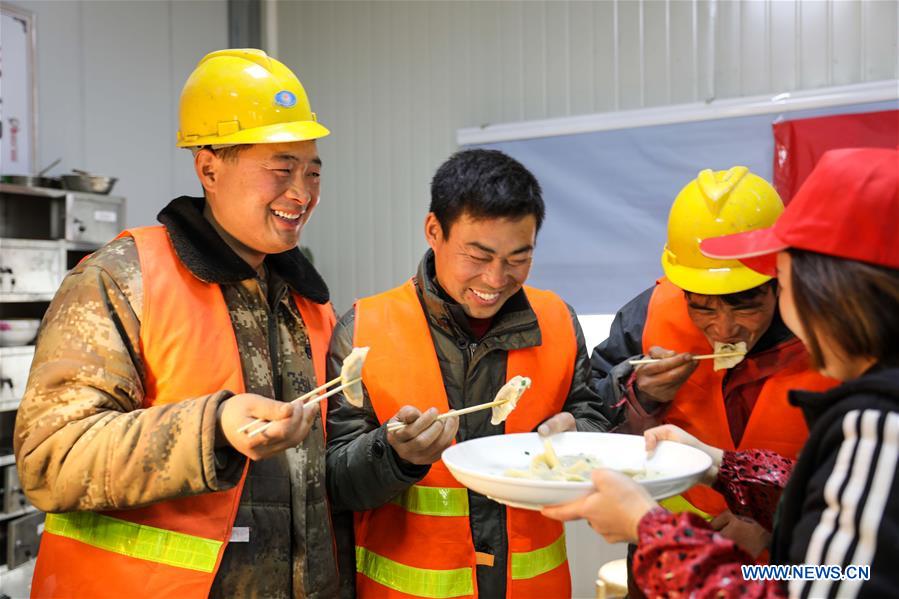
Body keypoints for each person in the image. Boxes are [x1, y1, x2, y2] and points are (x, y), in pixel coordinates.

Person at [15, 49, 340, 598]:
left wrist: (391, 452)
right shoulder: (121, 278)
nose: (302, 193)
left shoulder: (307, 301)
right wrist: (212, 427)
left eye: (311, 171)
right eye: (280, 169)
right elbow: (51, 457)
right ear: (209, 167)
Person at [544, 146, 899, 596]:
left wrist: (648, 527)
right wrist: (719, 466)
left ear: (834, 293)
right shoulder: (876, 417)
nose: (725, 325)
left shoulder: (880, 424)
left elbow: (823, 582)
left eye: (781, 285)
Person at [325, 149, 610, 598]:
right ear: (434, 231)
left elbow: (593, 420)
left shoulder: (558, 320)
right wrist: (394, 455)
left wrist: (578, 434)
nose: (496, 278)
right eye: (478, 255)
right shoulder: (363, 329)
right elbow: (334, 485)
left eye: (519, 257)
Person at [591, 167, 835, 542]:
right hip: (671, 554)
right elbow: (590, 421)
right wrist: (642, 398)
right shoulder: (646, 316)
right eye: (702, 307)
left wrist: (775, 526)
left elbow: (867, 474)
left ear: (780, 277)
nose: (723, 329)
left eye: (745, 305)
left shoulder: (836, 332)